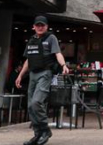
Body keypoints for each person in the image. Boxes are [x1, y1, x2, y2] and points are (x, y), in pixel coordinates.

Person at [15, 15, 70, 145]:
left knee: (36, 102)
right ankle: (37, 133)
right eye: (37, 25)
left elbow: (58, 53)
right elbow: (28, 60)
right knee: (30, 106)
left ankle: (45, 130)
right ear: (33, 27)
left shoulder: (51, 38)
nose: (40, 27)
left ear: (47, 27)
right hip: (33, 74)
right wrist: (20, 75)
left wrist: (64, 65)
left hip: (45, 73)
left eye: (42, 25)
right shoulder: (32, 40)